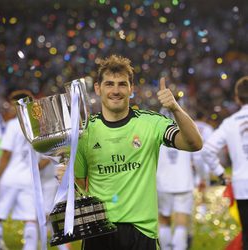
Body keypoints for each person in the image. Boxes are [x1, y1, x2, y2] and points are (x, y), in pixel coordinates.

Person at [74, 54, 202, 250]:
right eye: (109, 84)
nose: (116, 91)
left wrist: (175, 108)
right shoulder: (84, 133)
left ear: (131, 89)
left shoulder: (151, 123)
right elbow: (81, 182)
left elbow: (194, 143)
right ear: (98, 89)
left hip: (141, 232)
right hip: (98, 232)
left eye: (122, 84)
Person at [203, 76, 248, 250]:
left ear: (237, 97)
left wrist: (220, 173)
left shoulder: (230, 123)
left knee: (246, 235)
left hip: (242, 184)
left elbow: (207, 149)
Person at [0, 90, 39, 250]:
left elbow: (6, 154)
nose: (9, 108)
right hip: (29, 179)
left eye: (12, 105)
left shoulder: (13, 125)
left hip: (10, 177)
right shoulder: (36, 126)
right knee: (30, 218)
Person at [157, 144, 195, 250]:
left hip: (162, 182)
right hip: (184, 181)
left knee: (164, 221)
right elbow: (198, 156)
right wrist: (202, 177)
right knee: (182, 222)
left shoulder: (157, 128)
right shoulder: (186, 129)